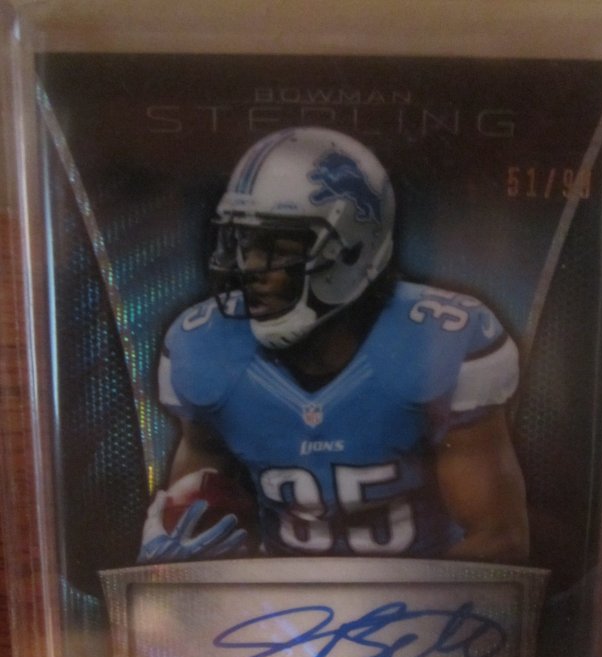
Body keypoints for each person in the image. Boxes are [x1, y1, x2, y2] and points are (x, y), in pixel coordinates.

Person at [139, 127, 529, 564]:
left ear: (351, 250)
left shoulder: (439, 341)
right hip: (273, 599)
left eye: (277, 247)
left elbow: (499, 541)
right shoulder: (204, 347)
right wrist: (175, 566)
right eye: (243, 243)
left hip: (421, 599)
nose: (249, 269)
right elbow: (194, 516)